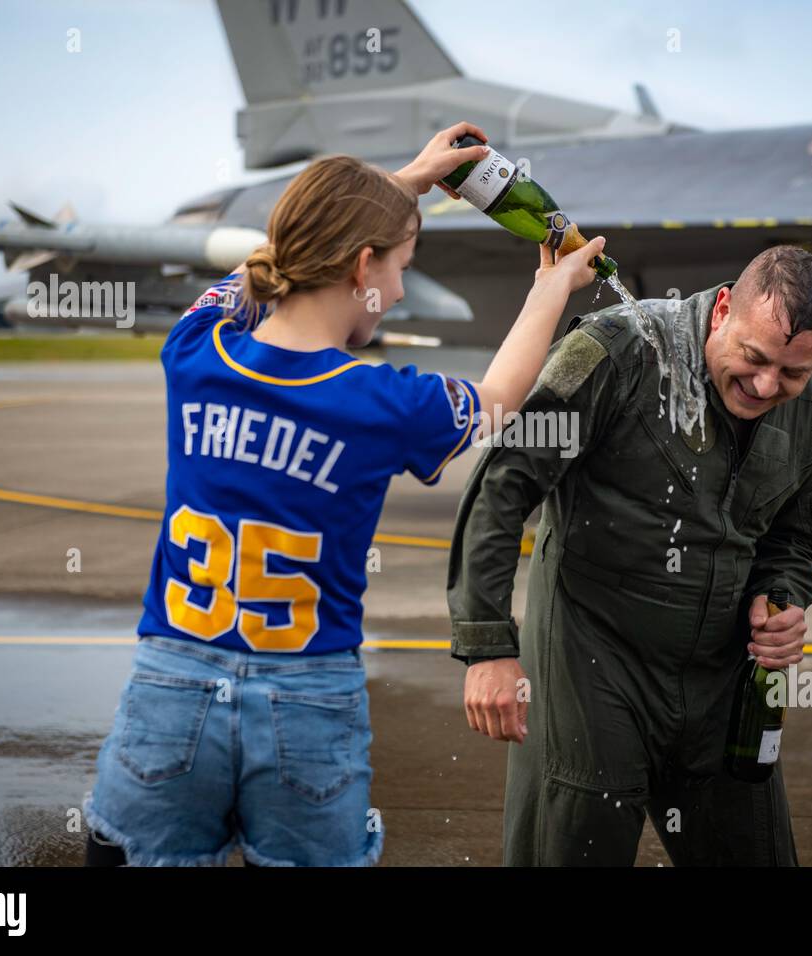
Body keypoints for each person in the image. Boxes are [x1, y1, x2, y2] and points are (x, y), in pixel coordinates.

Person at [84, 121, 606, 866]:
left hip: (173, 686)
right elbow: (495, 399)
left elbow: (257, 270)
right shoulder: (381, 402)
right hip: (306, 701)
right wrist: (551, 288)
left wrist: (398, 186)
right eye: (399, 266)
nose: (395, 292)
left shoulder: (195, 350)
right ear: (363, 265)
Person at [447, 244, 812, 866]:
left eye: (792, 374)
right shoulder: (618, 351)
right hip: (591, 667)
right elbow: (504, 483)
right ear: (721, 312)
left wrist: (782, 597)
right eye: (754, 358)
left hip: (720, 681)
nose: (768, 386)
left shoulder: (809, 407)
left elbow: (796, 533)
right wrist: (488, 645)